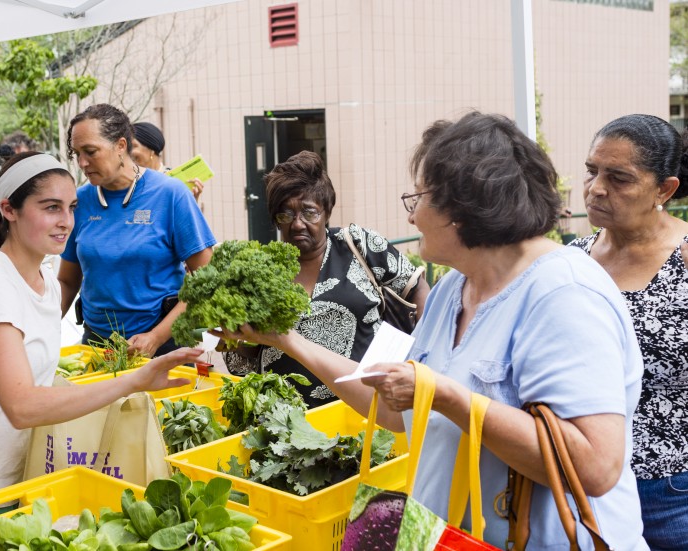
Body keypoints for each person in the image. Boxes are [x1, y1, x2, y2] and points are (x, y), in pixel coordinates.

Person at [216, 112, 647, 549]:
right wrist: (284, 339)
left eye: (418, 198)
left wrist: (449, 396)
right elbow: (392, 411)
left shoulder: (565, 294)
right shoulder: (452, 289)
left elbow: (594, 468)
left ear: (463, 208)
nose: (411, 218)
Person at [0, 152, 202, 506]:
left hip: (9, 486)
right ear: (9, 209)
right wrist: (132, 381)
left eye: (71, 207)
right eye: (51, 208)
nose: (67, 221)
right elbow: (22, 406)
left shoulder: (48, 281)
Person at [222, 151, 429, 407]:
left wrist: (425, 355)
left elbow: (416, 286)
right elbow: (244, 361)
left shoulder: (359, 245)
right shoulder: (262, 270)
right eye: (285, 215)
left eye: (309, 213)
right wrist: (241, 334)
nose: (297, 224)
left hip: (366, 409)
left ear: (327, 211)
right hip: (285, 420)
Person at [570, 114, 688, 550]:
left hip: (671, 494)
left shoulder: (685, 257)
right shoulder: (574, 259)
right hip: (584, 489)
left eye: (619, 178)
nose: (596, 188)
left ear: (665, 189)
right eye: (592, 171)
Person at [58, 104, 216, 358]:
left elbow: (207, 281)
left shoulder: (171, 194)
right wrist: (42, 326)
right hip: (97, 345)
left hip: (161, 345)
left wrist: (156, 337)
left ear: (121, 146)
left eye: (90, 151)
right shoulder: (80, 201)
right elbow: (67, 280)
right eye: (76, 154)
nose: (82, 163)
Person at [130, 121, 205, 202]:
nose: (128, 152)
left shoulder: (174, 182)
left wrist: (192, 202)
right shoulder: (127, 181)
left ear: (151, 150)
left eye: (134, 146)